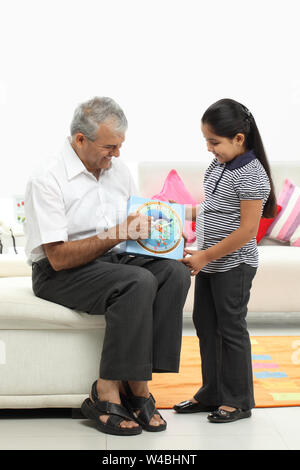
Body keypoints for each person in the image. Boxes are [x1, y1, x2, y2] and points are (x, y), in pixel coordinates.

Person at [24, 96, 191, 436]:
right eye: (109, 147)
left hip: (109, 261)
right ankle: (105, 392)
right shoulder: (47, 178)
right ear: (80, 140)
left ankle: (138, 384)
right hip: (58, 272)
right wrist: (117, 233)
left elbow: (130, 236)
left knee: (173, 273)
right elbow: (58, 257)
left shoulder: (118, 171)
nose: (116, 155)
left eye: (120, 147)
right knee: (137, 282)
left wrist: (164, 234)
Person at [173, 98, 276, 423]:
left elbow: (247, 231)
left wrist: (205, 255)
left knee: (231, 329)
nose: (208, 148)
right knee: (206, 326)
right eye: (206, 140)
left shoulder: (252, 173)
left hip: (235, 265)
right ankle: (212, 393)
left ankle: (239, 400)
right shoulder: (218, 165)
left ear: (239, 139)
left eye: (214, 141)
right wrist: (173, 213)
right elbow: (209, 209)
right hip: (211, 262)